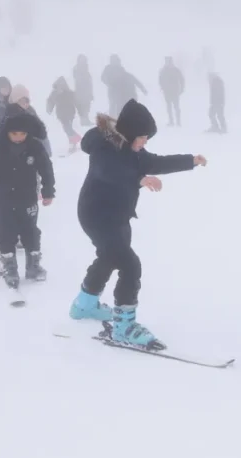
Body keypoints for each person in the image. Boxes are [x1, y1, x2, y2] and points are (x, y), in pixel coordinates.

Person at [68, 99, 207, 350]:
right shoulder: (105, 148)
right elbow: (108, 171)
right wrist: (140, 178)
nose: (144, 143)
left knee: (109, 258)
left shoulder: (134, 151)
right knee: (130, 265)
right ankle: (123, 326)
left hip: (118, 217)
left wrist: (190, 161)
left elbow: (156, 162)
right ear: (130, 133)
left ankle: (84, 304)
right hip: (97, 216)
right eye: (142, 137)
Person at [0, 113, 55, 289]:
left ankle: (33, 264)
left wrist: (48, 190)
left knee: (31, 231)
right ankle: (9, 266)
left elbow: (46, 168)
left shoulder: (34, 146)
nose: (19, 138)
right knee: (6, 231)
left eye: (22, 134)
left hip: (27, 196)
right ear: (7, 133)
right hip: (3, 198)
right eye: (14, 134)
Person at [46, 77, 81, 154]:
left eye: (61, 85)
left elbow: (77, 102)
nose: (60, 87)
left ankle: (74, 142)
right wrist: (49, 109)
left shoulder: (69, 93)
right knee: (67, 128)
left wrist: (80, 111)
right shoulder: (54, 93)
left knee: (68, 128)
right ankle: (74, 142)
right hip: (61, 114)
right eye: (58, 86)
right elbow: (50, 101)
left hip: (70, 113)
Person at [159, 56, 185, 127]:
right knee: (169, 107)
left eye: (168, 61)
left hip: (174, 91)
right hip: (167, 91)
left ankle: (178, 121)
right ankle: (171, 121)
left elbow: (181, 79)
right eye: (166, 61)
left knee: (176, 106)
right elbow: (160, 79)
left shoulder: (175, 70)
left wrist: (182, 88)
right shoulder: (164, 70)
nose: (167, 63)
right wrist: (162, 86)